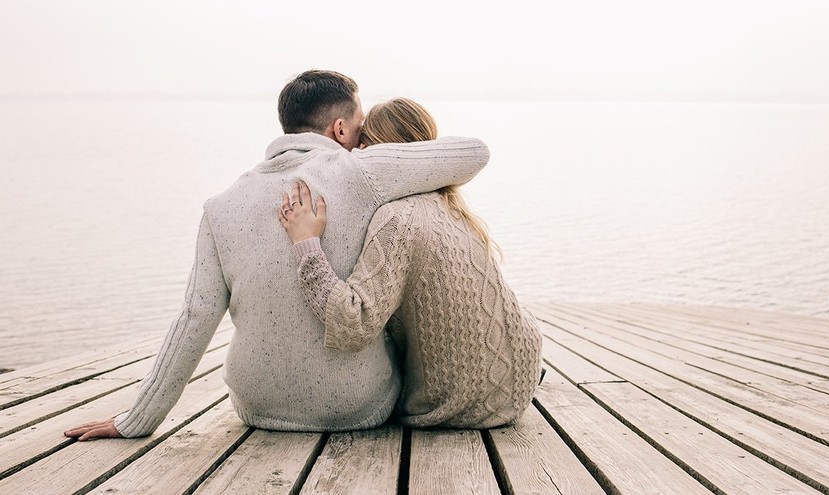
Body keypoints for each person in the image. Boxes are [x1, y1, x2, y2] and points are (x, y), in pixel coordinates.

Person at [64, 71, 490, 440]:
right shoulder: (362, 173)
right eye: (360, 131)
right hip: (358, 408)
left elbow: (194, 318)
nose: (363, 143)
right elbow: (474, 152)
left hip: (257, 408)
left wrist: (135, 420)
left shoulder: (221, 205)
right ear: (341, 130)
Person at [278, 98, 542, 428]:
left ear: (380, 152)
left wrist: (307, 245)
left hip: (463, 404)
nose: (355, 155)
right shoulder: (452, 206)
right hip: (521, 377)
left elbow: (352, 325)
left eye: (363, 146)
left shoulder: (396, 219)